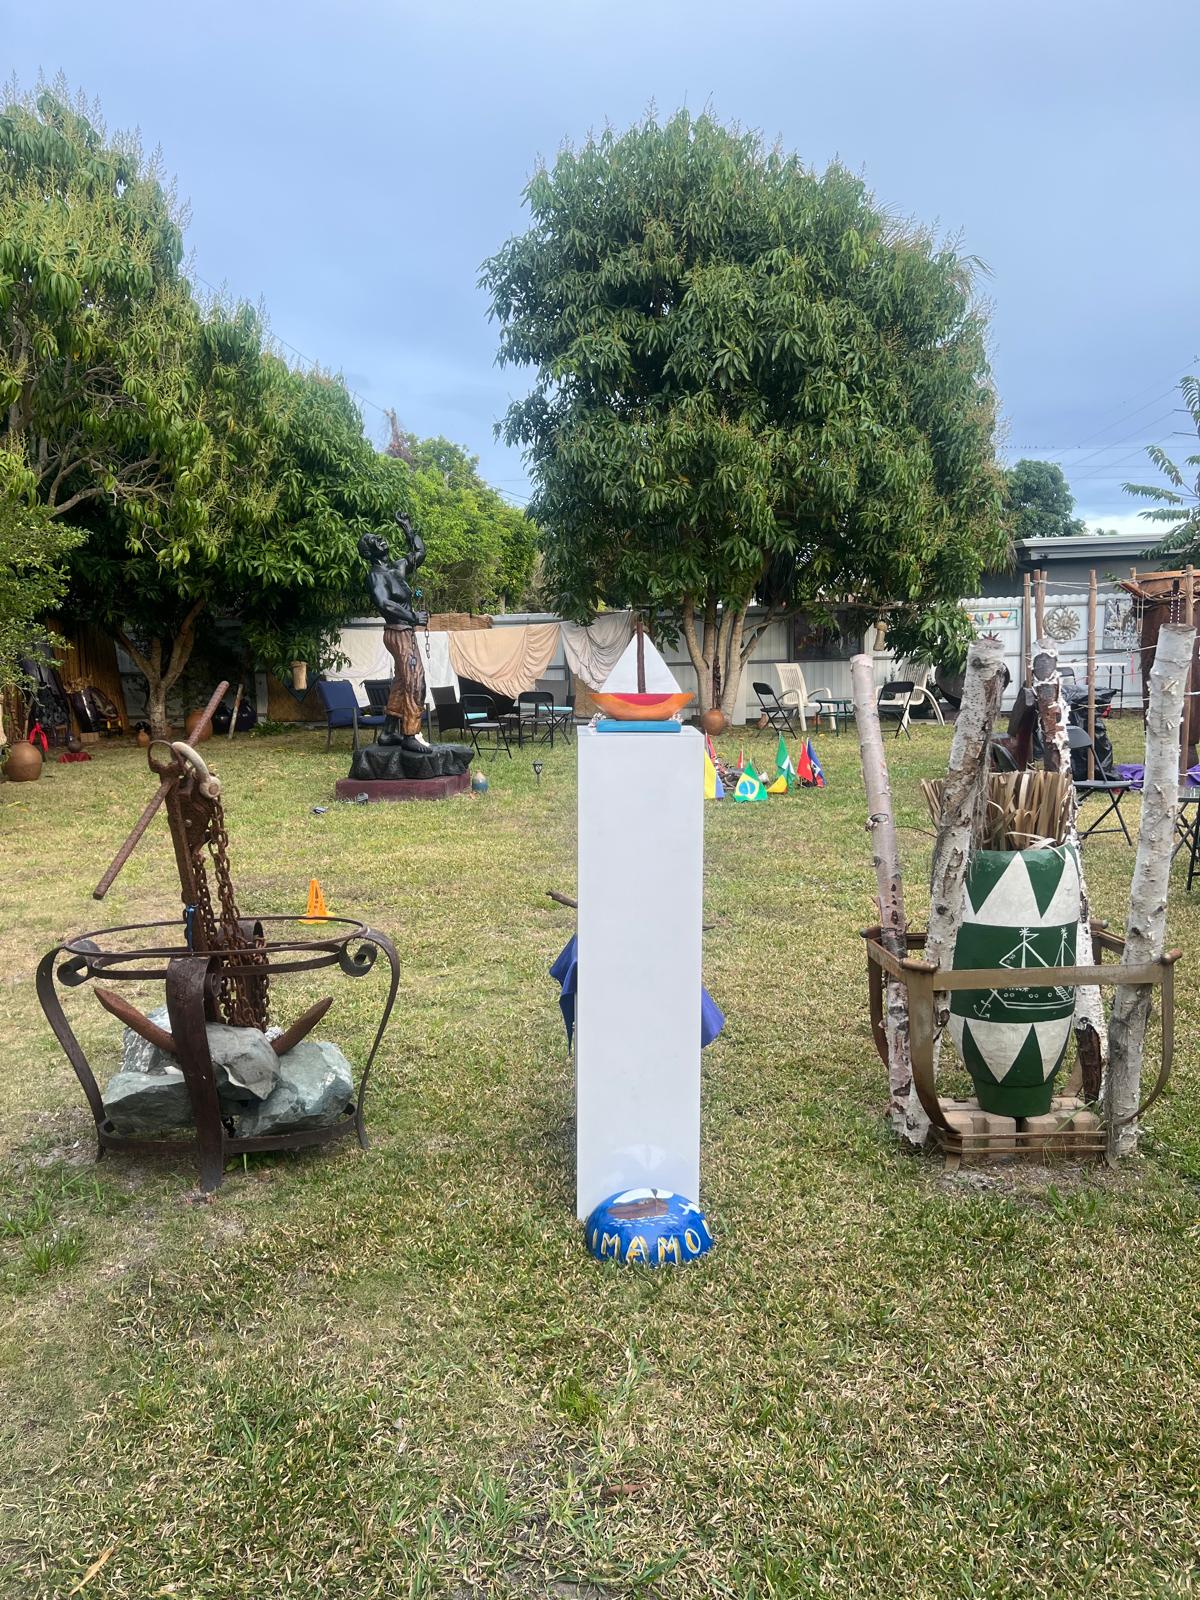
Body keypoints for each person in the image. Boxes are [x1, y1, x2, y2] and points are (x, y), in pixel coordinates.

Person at [358, 515, 431, 752]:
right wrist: (413, 617)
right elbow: (384, 603)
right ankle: (410, 733)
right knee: (416, 682)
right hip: (398, 632)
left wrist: (407, 527)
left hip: (406, 632)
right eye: (373, 541)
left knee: (401, 682)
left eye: (378, 537)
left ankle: (389, 732)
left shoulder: (398, 567)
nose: (380, 539)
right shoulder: (375, 576)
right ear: (369, 553)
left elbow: (419, 552)